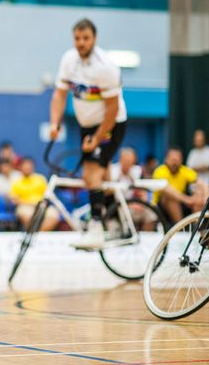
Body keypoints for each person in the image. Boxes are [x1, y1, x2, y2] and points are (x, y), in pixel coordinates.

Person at [49, 18, 128, 250]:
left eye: (86, 38)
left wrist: (97, 138)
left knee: (91, 172)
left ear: (94, 39)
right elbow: (59, 95)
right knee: (100, 176)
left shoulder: (105, 67)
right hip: (87, 124)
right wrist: (55, 123)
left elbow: (112, 109)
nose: (81, 43)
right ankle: (116, 219)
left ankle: (96, 228)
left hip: (110, 123)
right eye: (77, 38)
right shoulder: (68, 60)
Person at [152, 147, 208, 224]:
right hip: (161, 206)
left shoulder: (184, 170)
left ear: (181, 160)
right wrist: (187, 200)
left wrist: (204, 199)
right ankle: (181, 228)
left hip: (183, 204)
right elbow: (165, 188)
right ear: (166, 160)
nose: (174, 163)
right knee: (171, 199)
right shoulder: (159, 171)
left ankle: (198, 228)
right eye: (172, 160)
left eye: (177, 160)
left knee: (198, 196)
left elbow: (202, 184)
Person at [9, 157, 59, 232]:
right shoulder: (17, 181)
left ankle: (39, 233)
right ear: (21, 167)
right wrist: (29, 203)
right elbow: (14, 199)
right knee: (26, 214)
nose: (27, 168)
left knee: (54, 215)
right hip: (25, 206)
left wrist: (41, 204)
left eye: (29, 166)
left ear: (32, 167)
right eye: (25, 166)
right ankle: (34, 233)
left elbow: (48, 195)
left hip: (41, 205)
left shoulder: (40, 178)